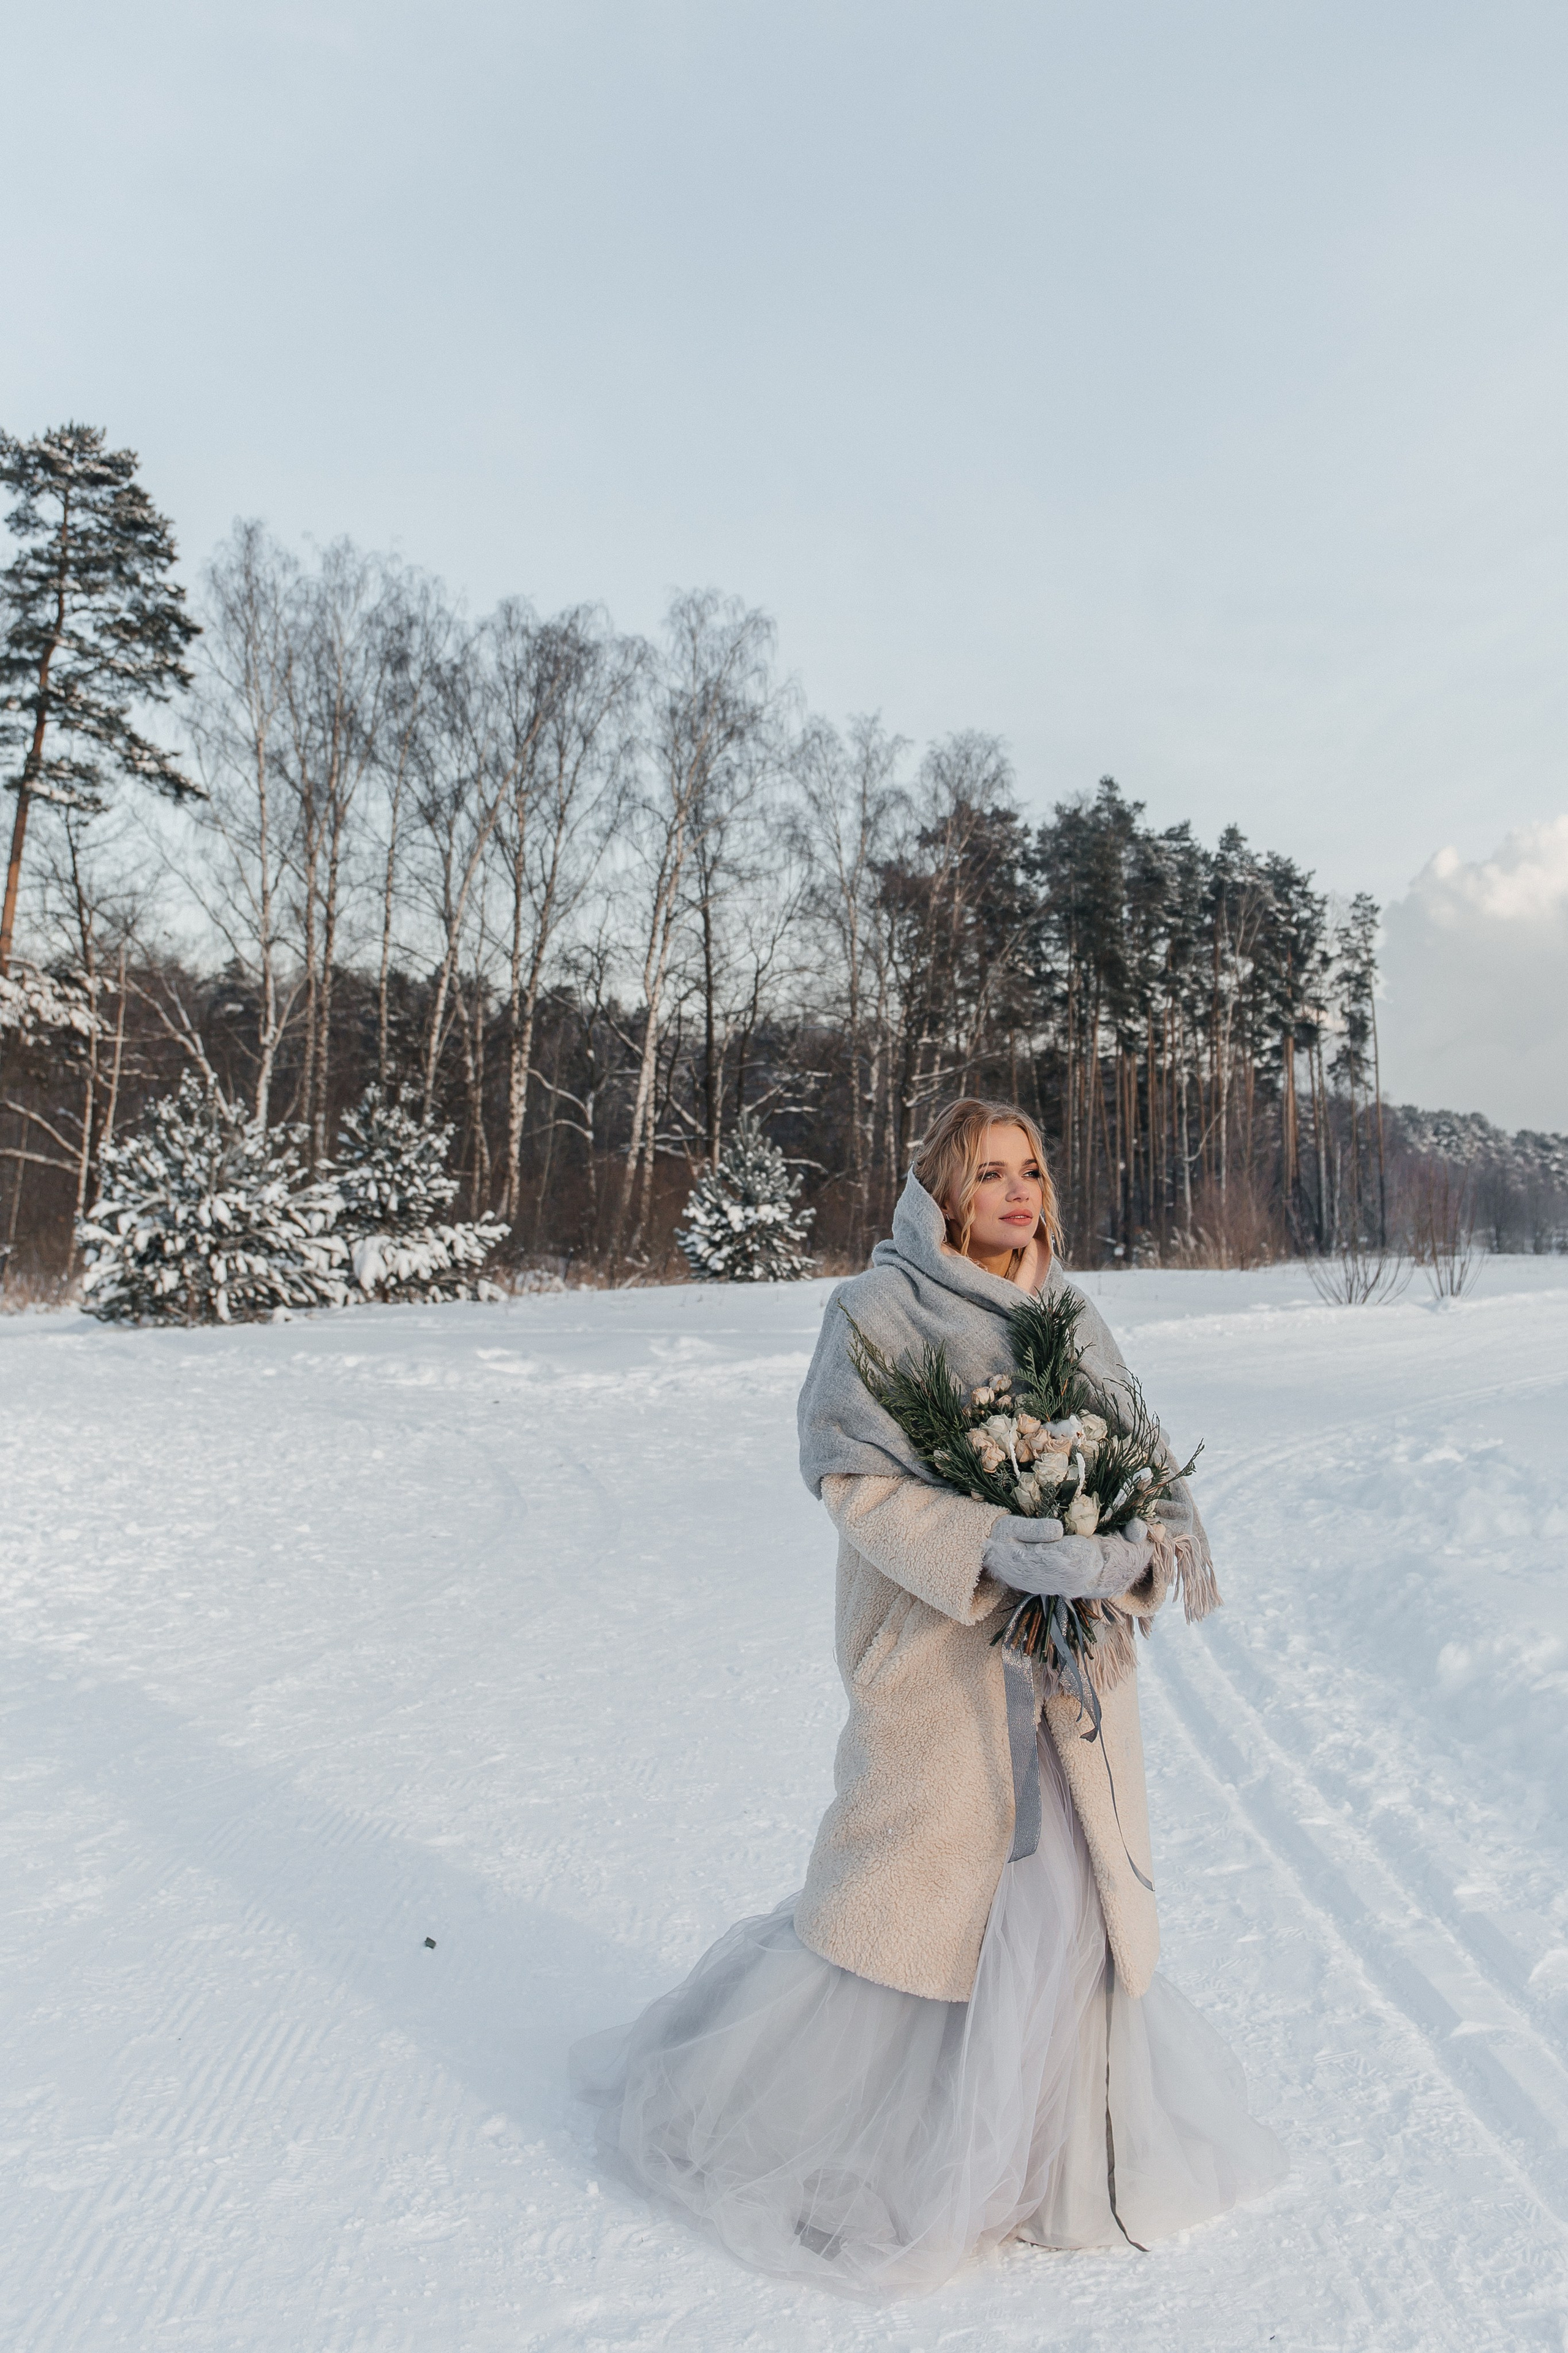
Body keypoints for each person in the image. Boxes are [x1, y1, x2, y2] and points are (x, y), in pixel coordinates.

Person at [571, 1098, 1286, 2294]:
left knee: (1070, 1904)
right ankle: (860, 2145)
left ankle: (1043, 2159)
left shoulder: (1069, 1313)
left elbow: (1148, 1470)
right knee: (921, 1894)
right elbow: (852, 1486)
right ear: (943, 1190)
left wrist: (1130, 1555)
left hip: (1072, 1676)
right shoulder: (877, 1312)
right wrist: (993, 1544)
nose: (1018, 1192)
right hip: (940, 1663)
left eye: (1031, 1169)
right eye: (989, 1172)